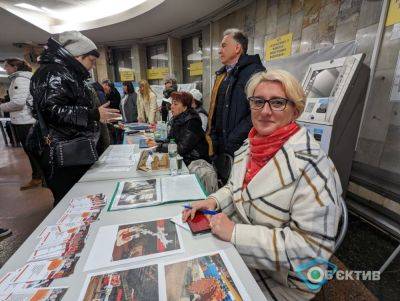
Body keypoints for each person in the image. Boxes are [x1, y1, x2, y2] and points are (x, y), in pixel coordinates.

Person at [183, 70, 342, 301]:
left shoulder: (313, 167)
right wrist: (212, 201)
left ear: (295, 110)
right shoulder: (250, 145)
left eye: (278, 103)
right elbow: (236, 189)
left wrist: (235, 233)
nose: (265, 111)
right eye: (258, 101)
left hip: (282, 278)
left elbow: (311, 250)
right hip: (242, 255)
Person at [28, 31, 121, 205]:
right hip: (63, 153)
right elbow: (52, 110)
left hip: (73, 151)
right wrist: (93, 114)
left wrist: (96, 117)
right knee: (69, 202)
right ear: (77, 56)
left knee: (79, 199)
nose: (92, 67)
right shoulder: (54, 73)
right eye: (91, 61)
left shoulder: (66, 73)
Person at [206, 28, 265, 159]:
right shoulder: (222, 75)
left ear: (237, 48)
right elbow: (215, 110)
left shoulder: (255, 73)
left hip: (240, 148)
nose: (219, 51)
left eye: (223, 46)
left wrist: (234, 139)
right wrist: (213, 137)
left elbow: (259, 111)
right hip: (220, 147)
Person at [0, 58, 43, 190]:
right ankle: (39, 176)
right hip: (26, 120)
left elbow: (18, 103)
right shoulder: (22, 78)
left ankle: (38, 177)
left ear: (15, 67)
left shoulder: (20, 80)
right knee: (33, 151)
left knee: (32, 151)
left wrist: (1, 106)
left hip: (25, 121)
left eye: (7, 66)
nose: (5, 69)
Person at [157, 92, 209, 166]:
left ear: (185, 107)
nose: (171, 107)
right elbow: (170, 140)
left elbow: (181, 149)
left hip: (193, 162)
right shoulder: (177, 119)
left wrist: (159, 147)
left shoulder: (192, 122)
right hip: (182, 159)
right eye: (172, 103)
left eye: (175, 104)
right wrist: (159, 145)